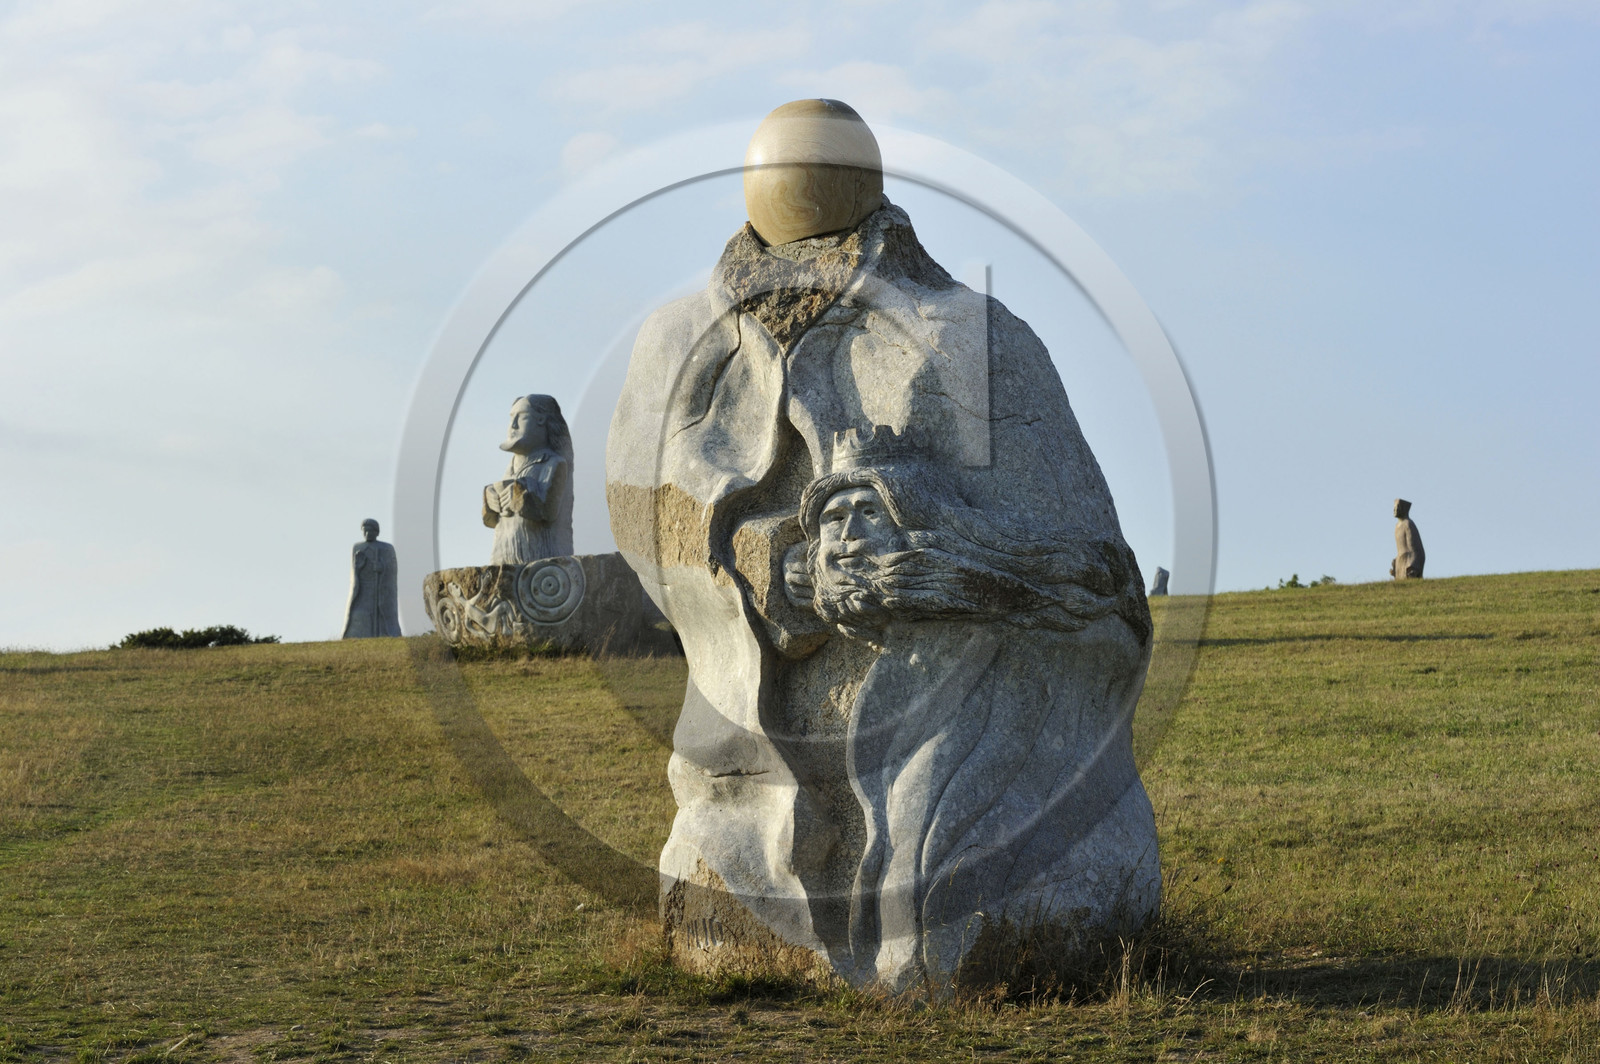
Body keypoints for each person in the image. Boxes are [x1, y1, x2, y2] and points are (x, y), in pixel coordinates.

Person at [483, 395, 573, 565]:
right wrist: (490, 499)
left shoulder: (553, 463)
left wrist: (519, 494)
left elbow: (549, 511)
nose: (513, 425)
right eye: (511, 418)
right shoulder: (511, 467)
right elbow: (492, 521)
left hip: (538, 560)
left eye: (522, 416)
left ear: (541, 421)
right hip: (501, 557)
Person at [342, 519, 401, 638]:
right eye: (366, 531)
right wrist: (359, 567)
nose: (368, 534)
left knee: (381, 614)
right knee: (360, 613)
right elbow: (354, 571)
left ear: (377, 532)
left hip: (380, 589)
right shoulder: (358, 547)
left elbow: (392, 568)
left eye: (371, 531)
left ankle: (384, 634)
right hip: (363, 588)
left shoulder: (387, 548)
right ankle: (355, 636)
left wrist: (382, 567)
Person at [1390, 498, 1425, 580]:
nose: (1395, 509)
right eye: (1394, 507)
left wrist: (1413, 565)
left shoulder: (1408, 524)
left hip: (1409, 562)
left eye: (1398, 507)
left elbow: (1417, 550)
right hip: (1400, 560)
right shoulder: (1397, 526)